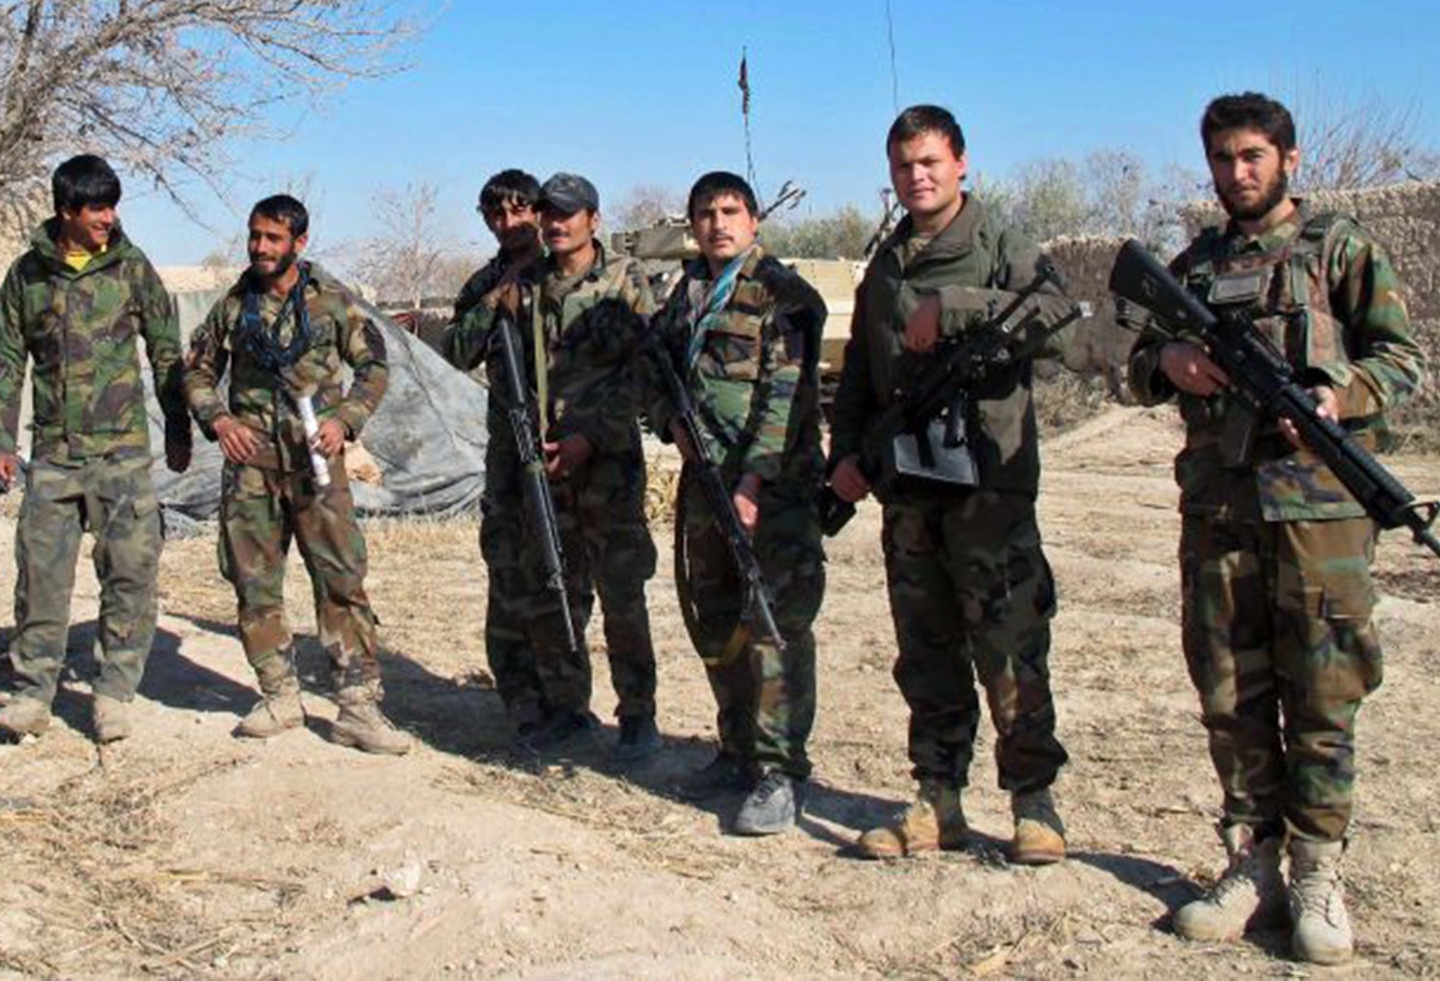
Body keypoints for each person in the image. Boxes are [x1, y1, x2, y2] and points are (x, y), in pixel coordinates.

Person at [1126, 92, 1423, 965]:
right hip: (1220, 511)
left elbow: (1400, 356)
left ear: (1290, 160)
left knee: (1325, 694)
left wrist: (1339, 394)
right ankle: (1251, 861)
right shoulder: (1193, 265)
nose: (1236, 173)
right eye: (1222, 158)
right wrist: (1170, 363)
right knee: (1230, 693)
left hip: (1321, 513)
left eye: (1252, 156)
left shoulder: (1340, 247)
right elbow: (1137, 361)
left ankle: (1318, 872)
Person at [828, 106, 1077, 864]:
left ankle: (1034, 802)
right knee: (926, 650)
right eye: (904, 166)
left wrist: (957, 306)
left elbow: (1061, 321)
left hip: (987, 488)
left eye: (931, 162)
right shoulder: (887, 264)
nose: (918, 177)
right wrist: (846, 458)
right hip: (911, 490)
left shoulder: (999, 243)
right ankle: (939, 797)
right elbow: (863, 380)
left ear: (961, 162)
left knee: (1010, 644)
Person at [183, 194, 409, 755]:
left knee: (340, 579)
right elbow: (197, 371)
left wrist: (345, 422)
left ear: (299, 243)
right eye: (255, 236)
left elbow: (375, 368)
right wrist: (218, 420)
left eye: (273, 239)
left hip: (316, 468)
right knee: (254, 583)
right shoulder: (234, 307)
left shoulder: (332, 304)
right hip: (252, 469)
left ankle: (358, 706)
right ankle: (279, 694)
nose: (260, 247)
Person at [0, 155, 191, 742]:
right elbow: (4, 362)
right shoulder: (28, 276)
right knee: (40, 578)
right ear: (66, 210)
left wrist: (177, 427)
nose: (110, 217)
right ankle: (32, 694)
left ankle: (114, 692)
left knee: (131, 574)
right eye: (97, 207)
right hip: (53, 456)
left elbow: (166, 349)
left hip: (122, 454)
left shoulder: (130, 268)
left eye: (112, 205)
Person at [452, 172, 659, 761]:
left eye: (565, 213)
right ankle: (568, 710)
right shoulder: (525, 285)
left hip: (607, 464)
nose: (553, 222)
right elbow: (477, 356)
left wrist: (590, 435)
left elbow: (645, 370)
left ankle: (638, 716)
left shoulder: (625, 280)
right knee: (555, 590)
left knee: (621, 593)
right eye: (548, 213)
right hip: (543, 468)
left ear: (594, 218)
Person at [650, 171, 827, 834]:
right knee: (717, 617)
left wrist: (753, 483)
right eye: (705, 213)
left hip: (769, 490)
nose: (718, 223)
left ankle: (780, 771)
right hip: (705, 481)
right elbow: (659, 370)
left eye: (730, 211)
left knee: (774, 627)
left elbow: (785, 397)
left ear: (754, 220)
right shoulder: (686, 294)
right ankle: (736, 748)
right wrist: (666, 419)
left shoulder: (781, 294)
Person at [442, 169, 552, 736]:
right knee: (508, 566)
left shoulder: (566, 273)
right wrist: (495, 300)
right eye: (497, 216)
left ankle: (566, 691)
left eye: (519, 212)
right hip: (509, 445)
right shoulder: (484, 281)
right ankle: (519, 693)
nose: (510, 225)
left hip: (566, 441)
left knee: (564, 565)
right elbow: (454, 350)